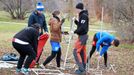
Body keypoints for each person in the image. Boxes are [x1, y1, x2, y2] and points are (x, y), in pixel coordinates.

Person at [73, 3, 89, 74]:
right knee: (82, 52)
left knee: (76, 52)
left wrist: (74, 31)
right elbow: (81, 25)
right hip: (83, 36)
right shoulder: (82, 15)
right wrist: (76, 21)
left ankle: (81, 69)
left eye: (76, 9)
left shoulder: (83, 16)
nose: (76, 10)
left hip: (82, 36)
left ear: (79, 9)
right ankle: (83, 67)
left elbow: (82, 28)